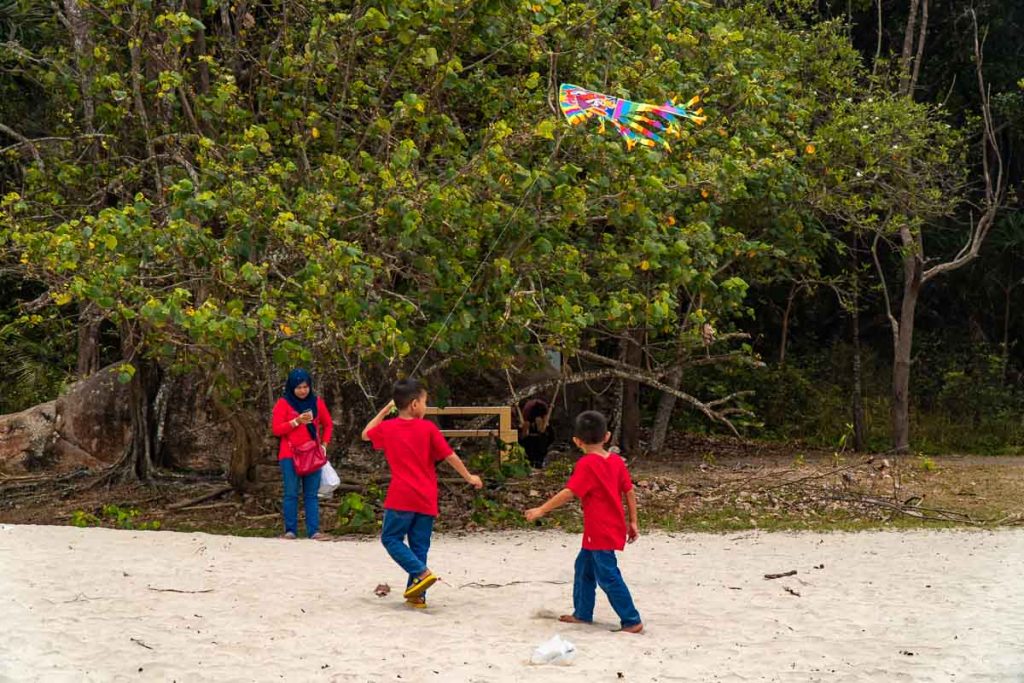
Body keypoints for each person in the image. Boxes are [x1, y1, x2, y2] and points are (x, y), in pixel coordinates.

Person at [362, 378, 484, 608]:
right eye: (425, 402)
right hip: (426, 496)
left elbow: (366, 434)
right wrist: (469, 477)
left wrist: (385, 410)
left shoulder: (388, 428)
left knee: (390, 538)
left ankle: (421, 573)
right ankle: (417, 595)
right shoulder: (428, 428)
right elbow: (450, 456)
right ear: (415, 404)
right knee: (419, 546)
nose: (426, 407)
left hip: (401, 496)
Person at [524, 410, 643, 633]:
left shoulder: (587, 464)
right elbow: (629, 491)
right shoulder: (616, 461)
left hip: (599, 530)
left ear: (577, 441)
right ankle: (583, 613)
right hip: (608, 528)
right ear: (607, 436)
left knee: (608, 576)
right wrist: (633, 522)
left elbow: (570, 492)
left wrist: (541, 509)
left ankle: (631, 619)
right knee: (583, 568)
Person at [271, 368, 333, 540]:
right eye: (298, 387)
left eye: (305, 386)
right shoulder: (284, 403)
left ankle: (314, 531)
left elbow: (328, 425)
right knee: (291, 493)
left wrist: (325, 445)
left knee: (311, 494)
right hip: (289, 455)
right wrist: (295, 421)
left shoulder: (317, 402)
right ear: (292, 388)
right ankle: (290, 531)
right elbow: (276, 429)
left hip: (313, 454)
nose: (302, 390)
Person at [517, 398, 555, 469]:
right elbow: (551, 438)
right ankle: (535, 462)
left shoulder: (544, 428)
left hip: (536, 446)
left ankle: (536, 462)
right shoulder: (527, 425)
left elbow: (551, 438)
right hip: (532, 447)